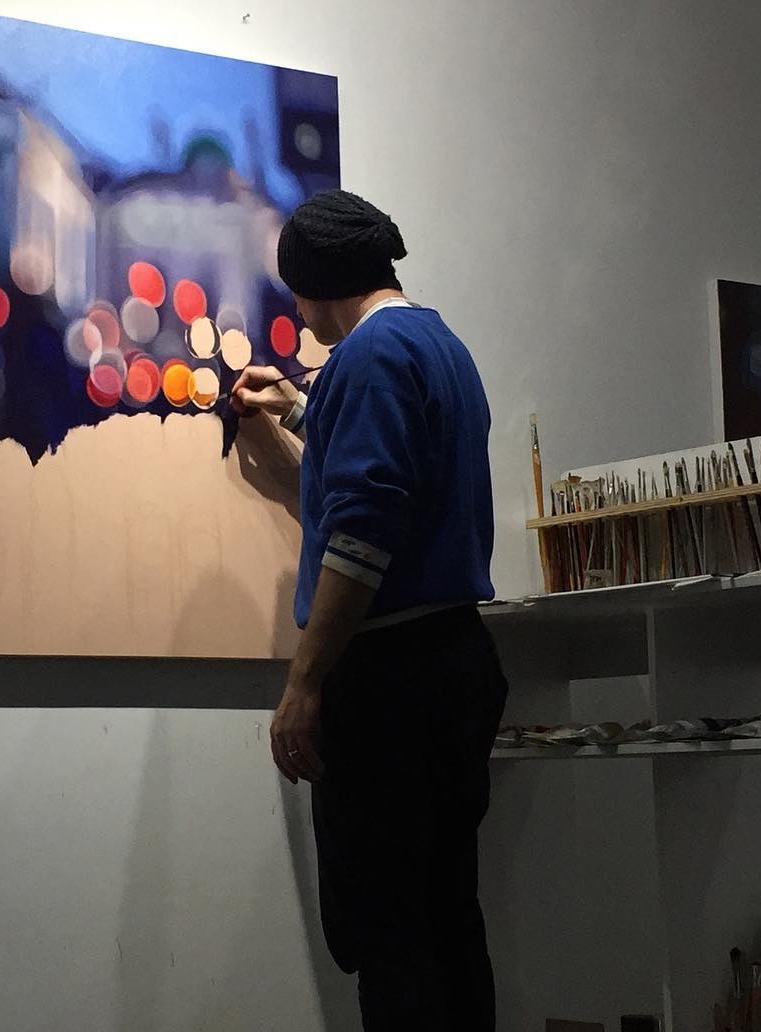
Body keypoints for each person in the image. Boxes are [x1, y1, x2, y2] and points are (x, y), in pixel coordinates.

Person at [232, 190, 508, 1031]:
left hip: (392, 682)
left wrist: (304, 683)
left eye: (296, 291)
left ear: (317, 282)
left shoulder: (369, 356)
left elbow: (362, 533)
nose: (296, 311)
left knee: (390, 937)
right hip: (452, 662)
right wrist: (301, 411)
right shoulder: (437, 343)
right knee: (444, 920)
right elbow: (397, 464)